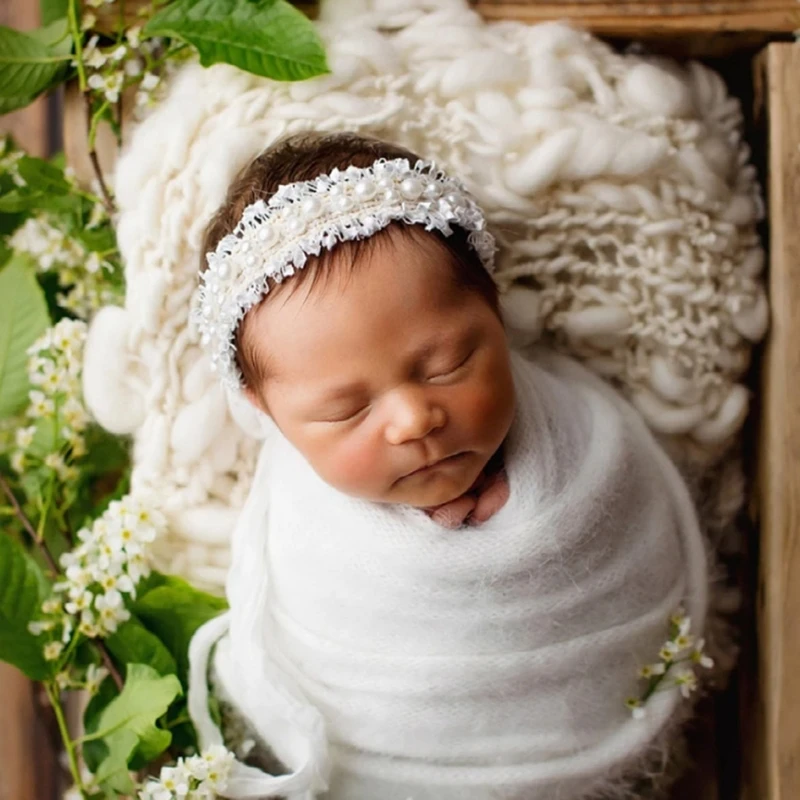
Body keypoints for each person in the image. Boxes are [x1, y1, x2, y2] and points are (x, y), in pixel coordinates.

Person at [187, 131, 710, 800]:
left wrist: (527, 513)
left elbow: (629, 522)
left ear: (493, 304)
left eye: (447, 365)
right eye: (345, 410)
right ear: (267, 413)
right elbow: (306, 643)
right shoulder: (301, 529)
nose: (413, 421)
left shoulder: (580, 437)